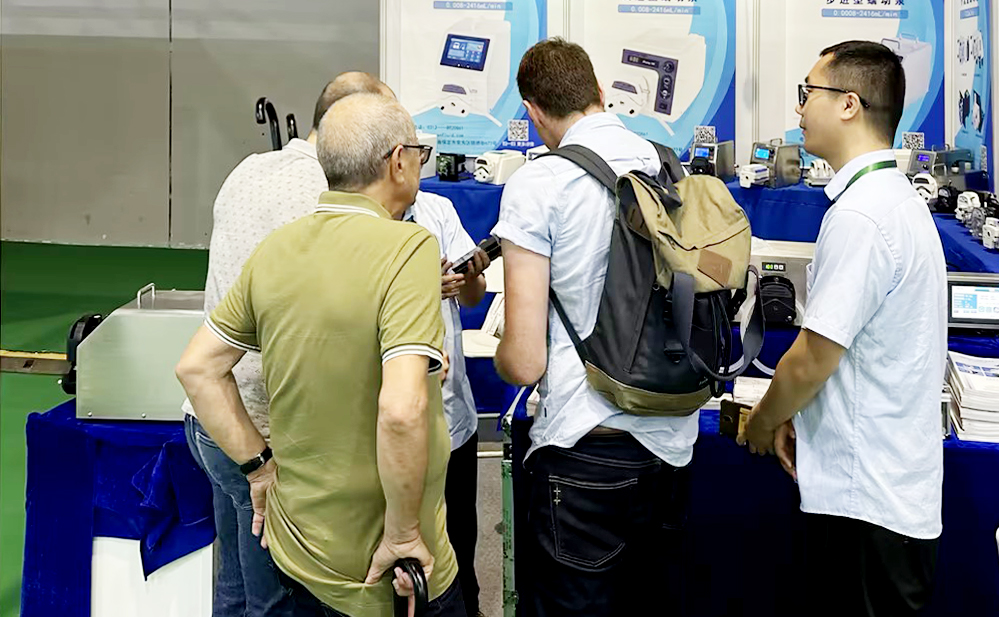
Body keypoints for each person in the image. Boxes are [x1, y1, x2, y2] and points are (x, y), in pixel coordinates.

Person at [176, 93, 466, 617]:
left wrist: (259, 469)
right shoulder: (409, 249)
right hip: (386, 568)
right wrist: (403, 534)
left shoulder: (277, 249)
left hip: (301, 548)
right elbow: (401, 410)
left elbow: (197, 369)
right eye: (419, 153)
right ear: (398, 161)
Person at [738, 40, 946, 616]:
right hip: (883, 491)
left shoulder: (861, 215)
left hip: (867, 501)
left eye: (808, 93)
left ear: (849, 104)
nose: (800, 107)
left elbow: (813, 359)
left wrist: (765, 421)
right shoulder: (892, 200)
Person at [491, 37, 695, 617]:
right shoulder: (665, 165)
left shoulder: (539, 183)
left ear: (532, 112)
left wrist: (501, 352)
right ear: (600, 92)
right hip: (671, 442)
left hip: (586, 448)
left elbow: (525, 363)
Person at [401, 190, 491, 617]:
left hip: (453, 415)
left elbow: (472, 297)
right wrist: (423, 288)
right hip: (396, 420)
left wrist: (470, 276)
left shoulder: (436, 209)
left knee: (459, 540)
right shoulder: (363, 221)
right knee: (404, 551)